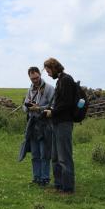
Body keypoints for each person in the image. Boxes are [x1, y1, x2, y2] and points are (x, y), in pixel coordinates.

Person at [43, 58, 75, 195]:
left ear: (54, 68)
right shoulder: (60, 81)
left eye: (49, 71)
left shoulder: (66, 80)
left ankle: (67, 189)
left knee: (64, 157)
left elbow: (67, 103)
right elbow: (59, 102)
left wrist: (53, 111)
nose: (49, 74)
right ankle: (58, 185)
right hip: (56, 123)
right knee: (55, 156)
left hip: (64, 123)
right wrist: (50, 109)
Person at [23, 67, 54, 186]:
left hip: (45, 124)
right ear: (29, 77)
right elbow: (24, 107)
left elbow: (54, 106)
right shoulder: (30, 90)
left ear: (40, 75)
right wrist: (28, 106)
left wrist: (39, 108)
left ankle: (45, 179)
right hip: (33, 124)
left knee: (44, 154)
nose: (35, 80)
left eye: (36, 78)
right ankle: (36, 178)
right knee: (35, 154)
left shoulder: (49, 89)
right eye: (32, 79)